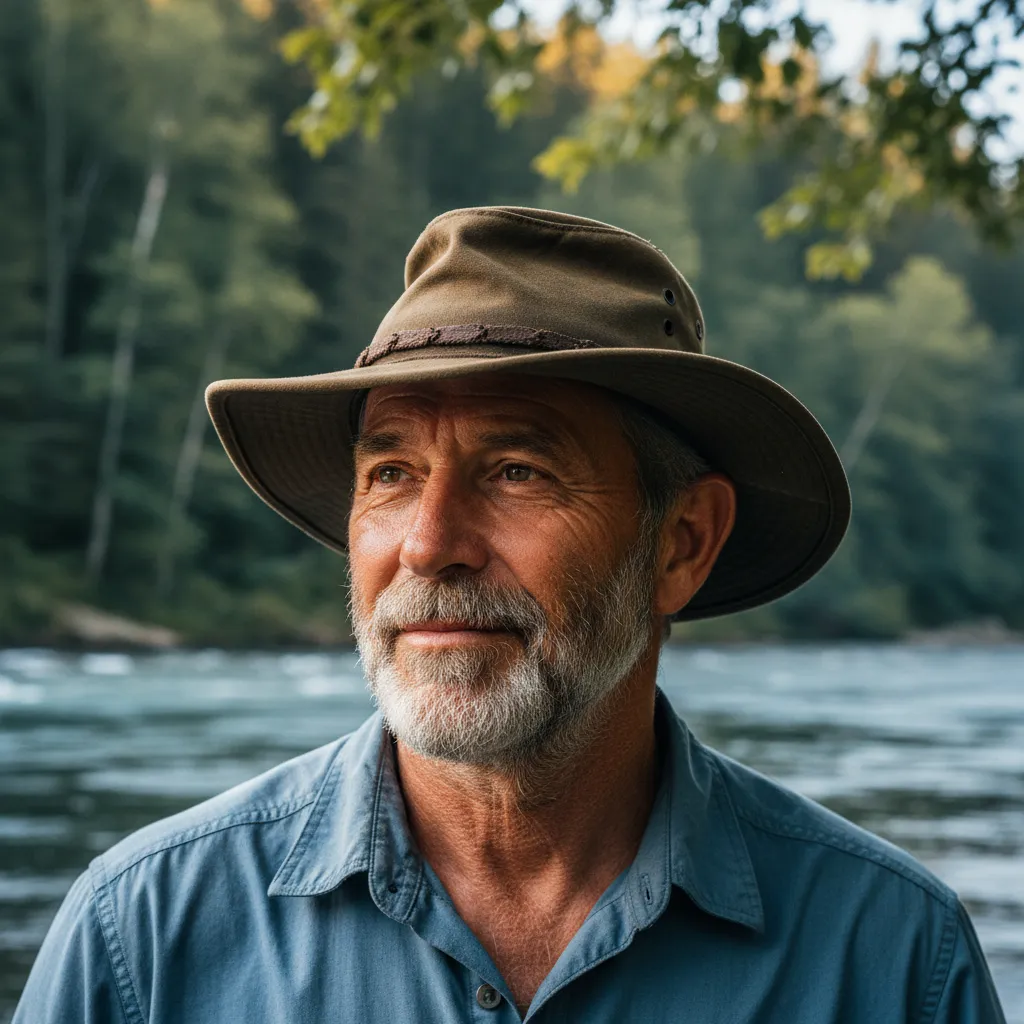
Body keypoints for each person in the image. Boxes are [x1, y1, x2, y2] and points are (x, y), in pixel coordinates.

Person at [15, 207, 1006, 1023]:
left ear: (682, 543)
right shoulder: (143, 936)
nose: (429, 540)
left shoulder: (887, 959)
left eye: (517, 471)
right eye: (390, 473)